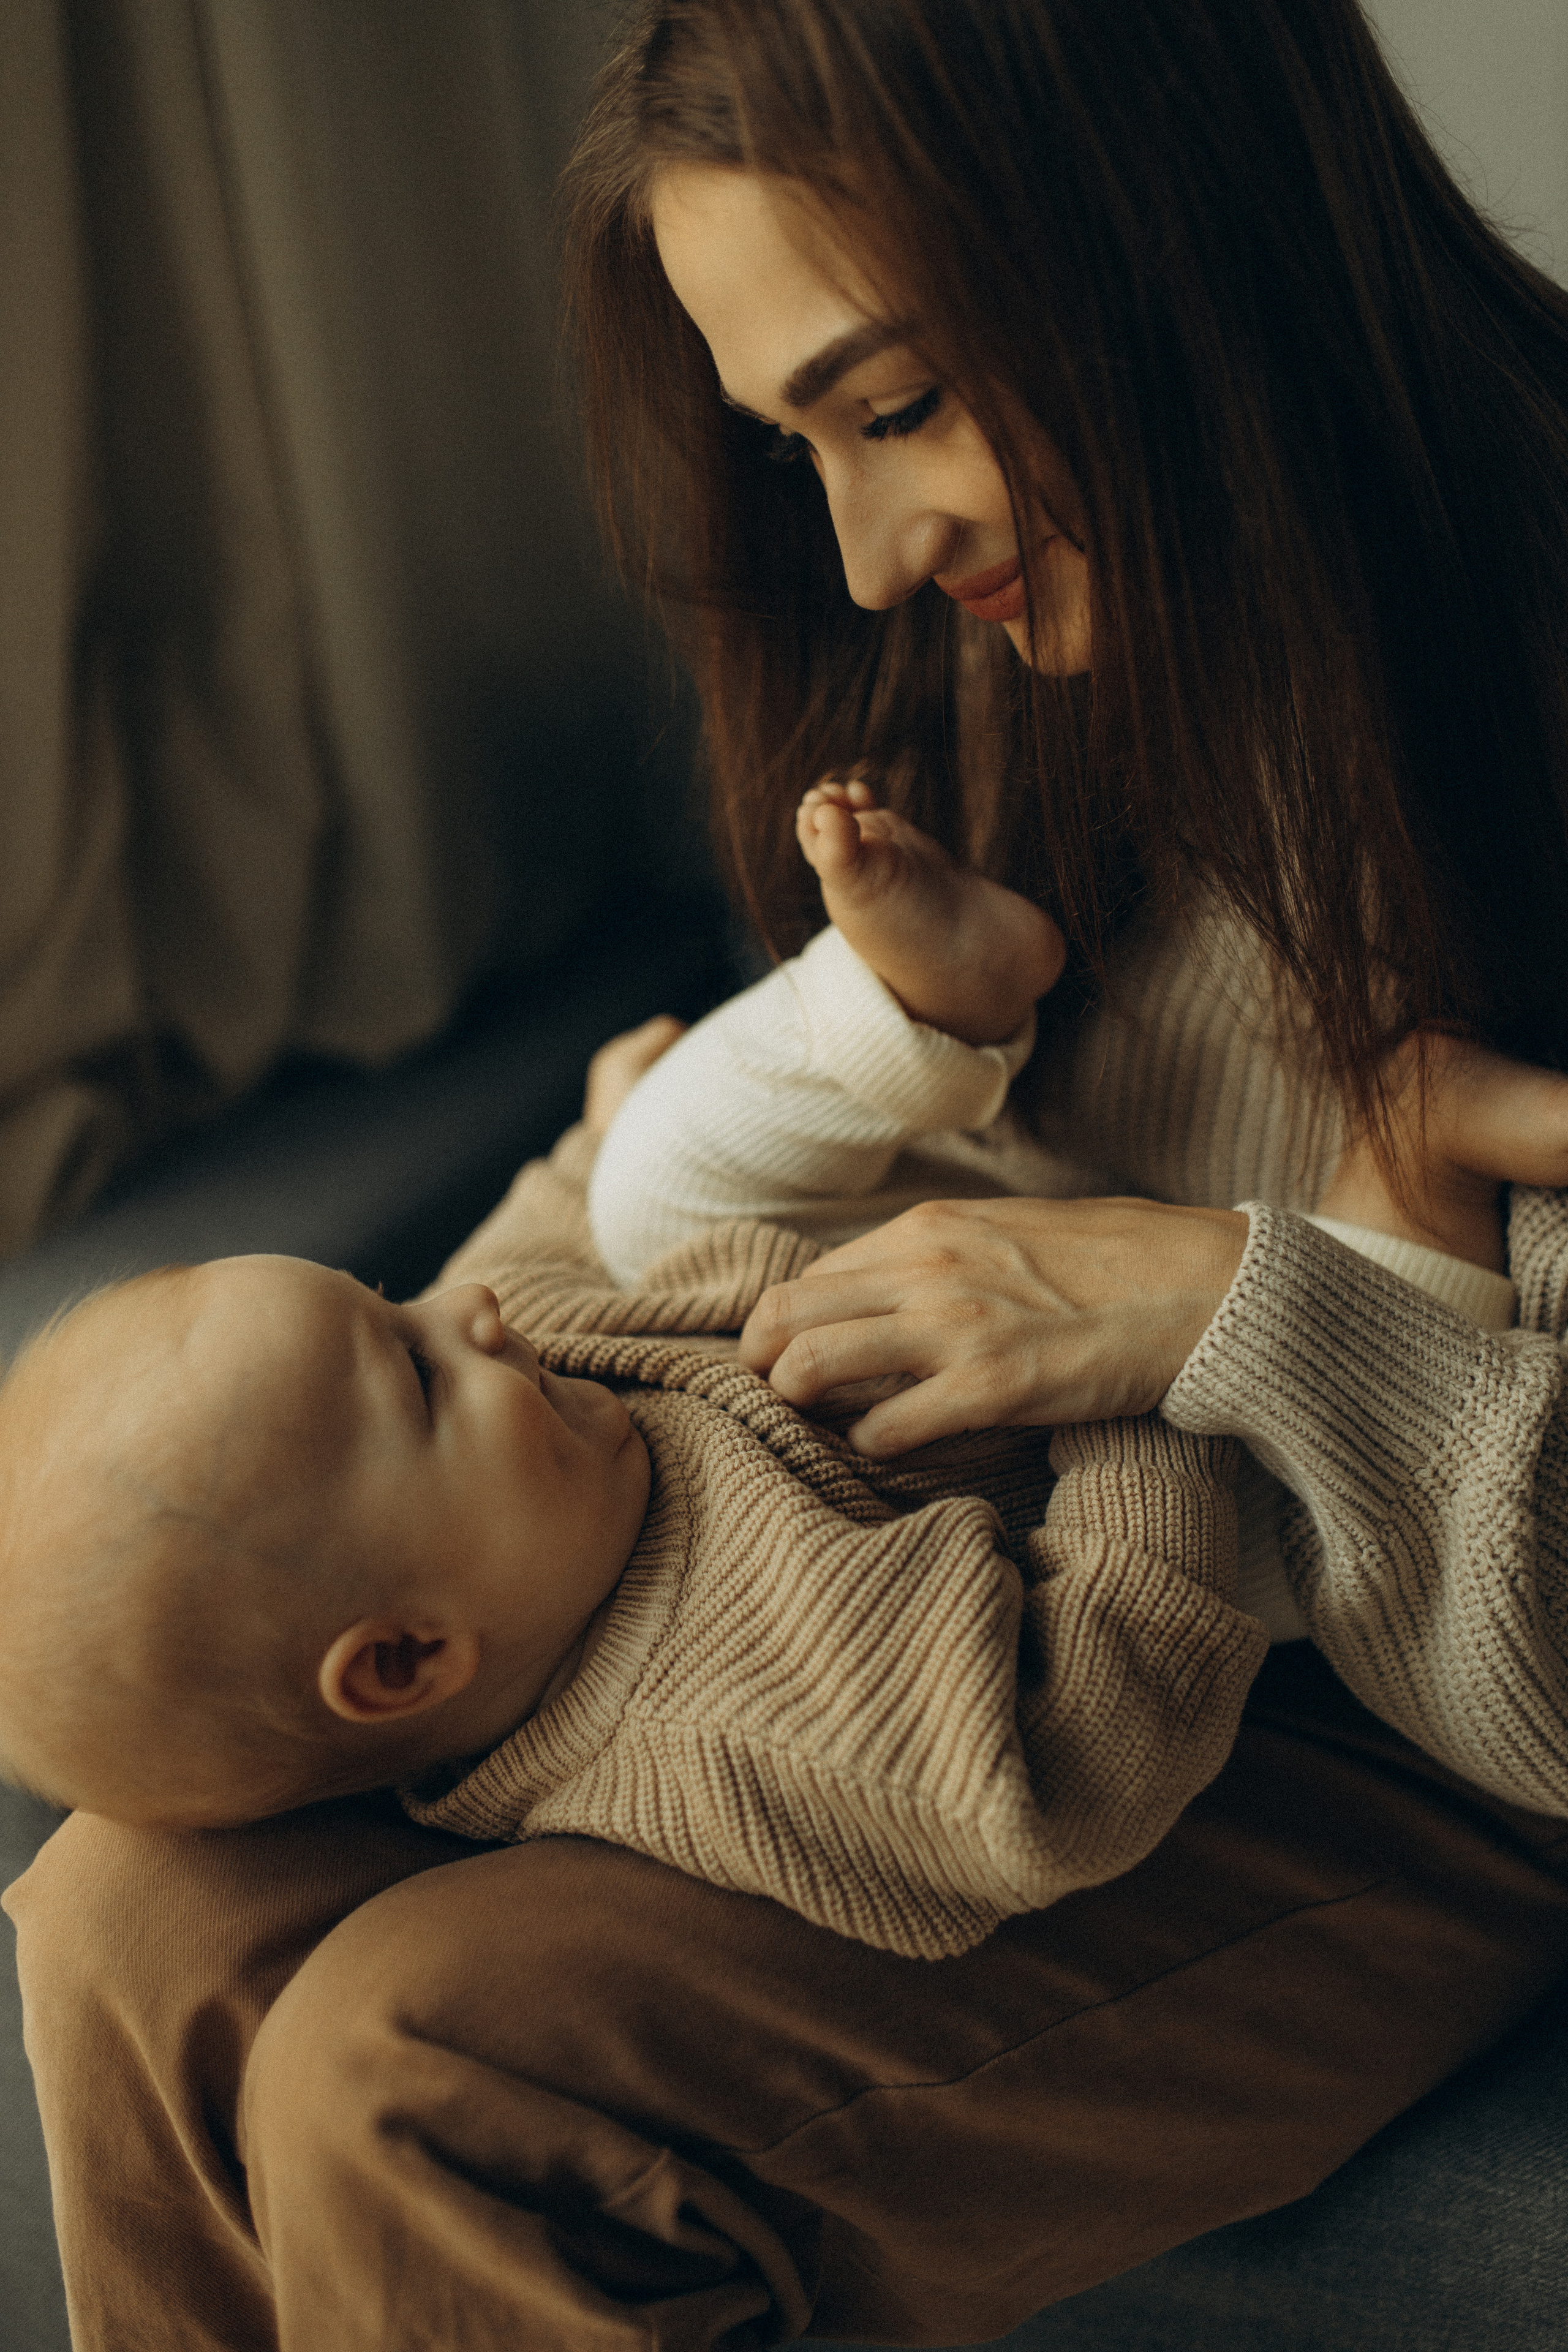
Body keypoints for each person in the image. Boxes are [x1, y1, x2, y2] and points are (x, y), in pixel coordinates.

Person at [9, 3, 1568, 2344]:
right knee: (134, 1905)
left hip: (1396, 1699)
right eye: (798, 445)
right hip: (917, 1573)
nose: (859, 557)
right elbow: (695, 1199)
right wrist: (374, 1446)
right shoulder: (1017, 649)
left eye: (899, 404)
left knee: (408, 2071)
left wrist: (1217, 1306)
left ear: (1165, 252)